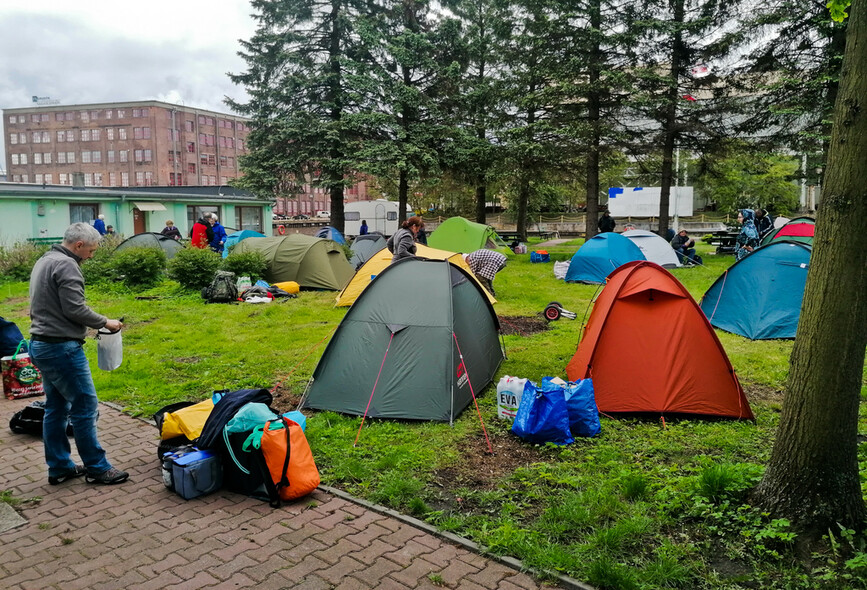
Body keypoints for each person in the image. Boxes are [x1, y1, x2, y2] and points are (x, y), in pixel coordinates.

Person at [28, 223, 128, 486]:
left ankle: (59, 467)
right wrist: (106, 322)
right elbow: (75, 309)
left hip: (40, 344)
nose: (91, 256)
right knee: (85, 406)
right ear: (79, 245)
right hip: (61, 349)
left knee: (57, 408)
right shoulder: (66, 265)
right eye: (91, 251)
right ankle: (97, 468)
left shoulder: (45, 260)